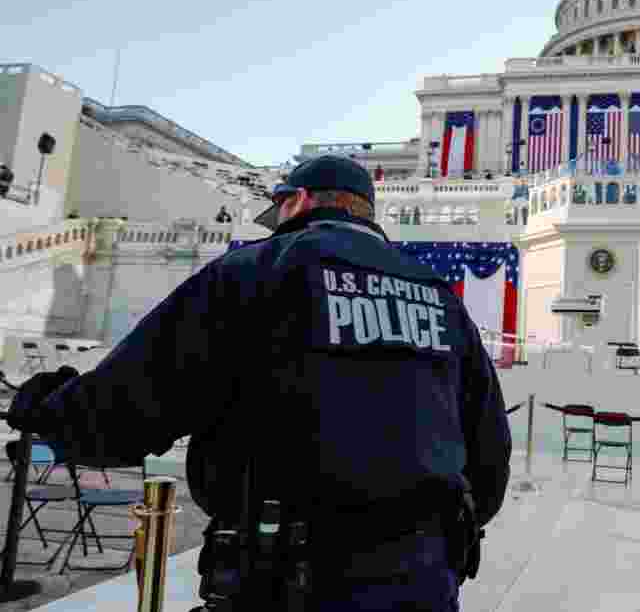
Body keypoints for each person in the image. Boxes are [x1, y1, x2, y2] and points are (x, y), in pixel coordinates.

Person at [7, 155, 512, 611]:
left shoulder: (254, 271)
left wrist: (46, 408)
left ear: (296, 200)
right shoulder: (440, 298)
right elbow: (489, 457)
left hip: (284, 575)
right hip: (424, 580)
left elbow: (125, 413)